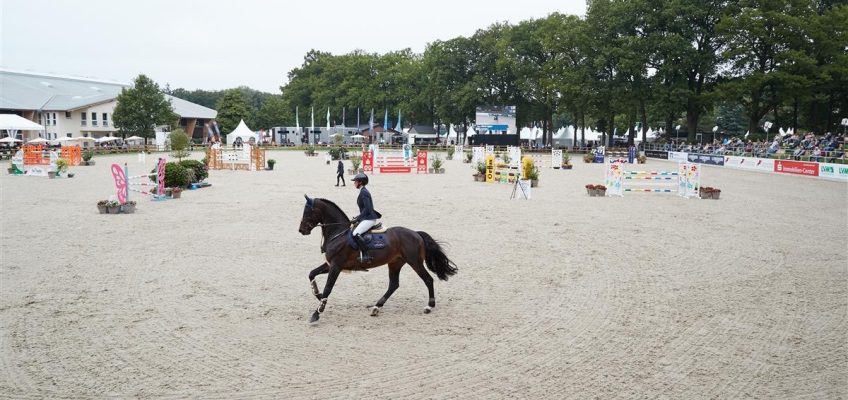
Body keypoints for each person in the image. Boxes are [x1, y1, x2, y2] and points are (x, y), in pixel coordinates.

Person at [350, 173, 380, 262]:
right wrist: (357, 218)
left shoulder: (364, 192)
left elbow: (367, 209)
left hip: (369, 218)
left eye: (355, 181)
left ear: (360, 182)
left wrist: (357, 218)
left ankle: (367, 255)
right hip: (366, 217)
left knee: (355, 233)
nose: (354, 183)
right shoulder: (363, 191)